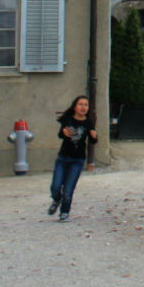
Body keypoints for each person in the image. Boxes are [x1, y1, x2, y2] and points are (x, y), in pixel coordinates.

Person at [48, 94, 97, 222]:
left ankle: (64, 212)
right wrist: (63, 133)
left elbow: (93, 140)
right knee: (55, 187)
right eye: (80, 104)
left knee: (68, 189)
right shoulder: (67, 119)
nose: (83, 107)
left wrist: (94, 135)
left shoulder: (88, 122)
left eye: (86, 105)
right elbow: (60, 135)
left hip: (77, 160)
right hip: (63, 158)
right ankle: (56, 199)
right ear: (75, 107)